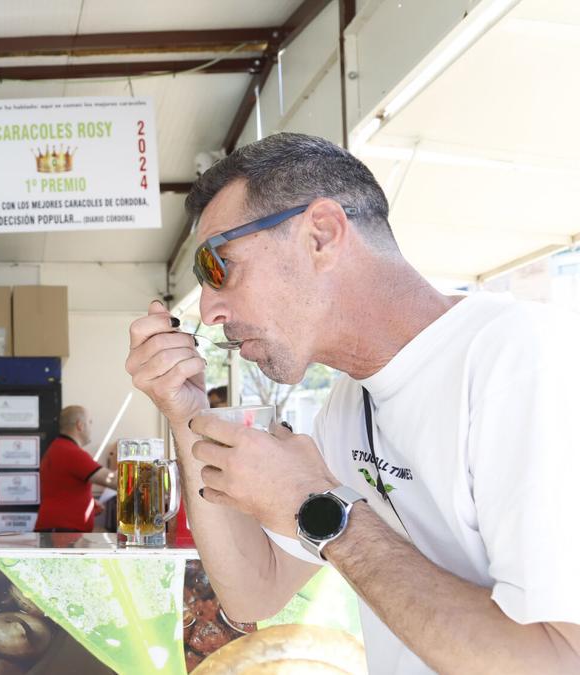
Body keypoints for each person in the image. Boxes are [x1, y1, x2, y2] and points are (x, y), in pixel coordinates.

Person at [126, 132, 580, 673]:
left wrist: (317, 506)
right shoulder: (349, 403)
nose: (209, 311)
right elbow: (254, 591)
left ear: (321, 234)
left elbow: (559, 658)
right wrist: (188, 413)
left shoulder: (525, 359)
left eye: (219, 267)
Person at [35, 405, 117, 533]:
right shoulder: (71, 453)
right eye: (90, 422)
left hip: (56, 530)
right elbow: (114, 481)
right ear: (80, 425)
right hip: (61, 533)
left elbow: (61, 491)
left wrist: (87, 502)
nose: (91, 427)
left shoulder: (58, 448)